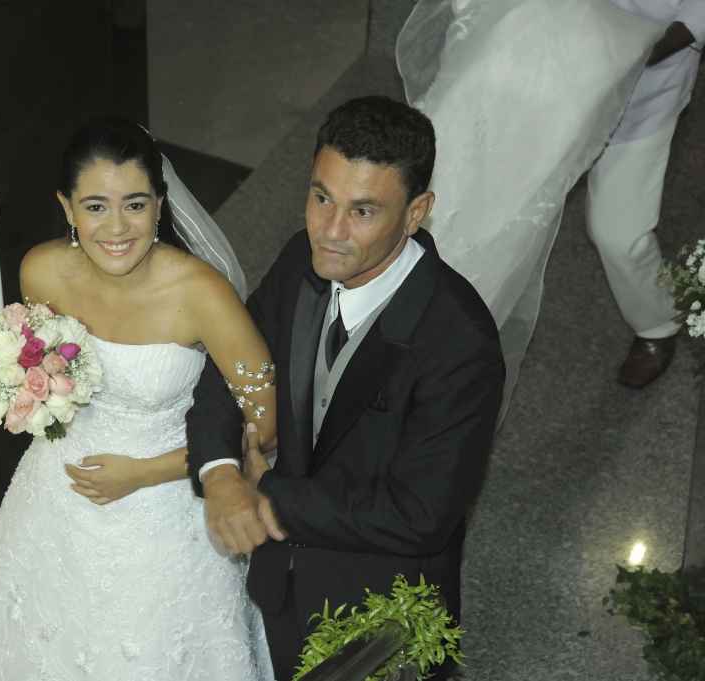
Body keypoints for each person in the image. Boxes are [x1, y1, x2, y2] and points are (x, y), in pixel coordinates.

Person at [0, 118, 274, 680]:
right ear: (67, 207)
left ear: (160, 204)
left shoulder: (202, 295)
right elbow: (45, 364)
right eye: (94, 207)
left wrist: (143, 473)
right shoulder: (40, 271)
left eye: (135, 204)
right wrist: (17, 394)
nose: (116, 227)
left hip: (168, 508)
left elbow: (264, 426)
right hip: (54, 497)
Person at [186, 96, 506, 681]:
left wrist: (272, 493)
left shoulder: (460, 341)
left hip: (376, 619)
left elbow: (419, 513)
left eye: (363, 211)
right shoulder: (299, 262)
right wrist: (221, 474)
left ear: (416, 212)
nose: (330, 232)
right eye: (321, 198)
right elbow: (230, 370)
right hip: (280, 587)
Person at [395, 0, 685, 415]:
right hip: (539, 78)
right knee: (477, 202)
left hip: (640, 92)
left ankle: (656, 322)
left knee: (618, 232)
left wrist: (623, 50)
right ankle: (425, 331)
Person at [589, 0, 705, 387]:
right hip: (556, 55)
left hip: (645, 82)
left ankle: (655, 321)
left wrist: (648, 49)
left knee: (616, 233)